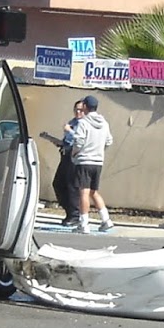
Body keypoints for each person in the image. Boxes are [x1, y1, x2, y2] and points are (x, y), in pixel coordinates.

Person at [70, 94, 114, 233]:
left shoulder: (83, 122)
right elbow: (109, 141)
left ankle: (83, 224)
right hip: (98, 161)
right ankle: (106, 219)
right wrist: (99, 150)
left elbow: (79, 141)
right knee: (93, 192)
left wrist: (75, 153)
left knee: (83, 192)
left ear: (85, 107)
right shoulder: (104, 123)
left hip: (84, 160)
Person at [40, 98, 85, 224]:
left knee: (72, 185)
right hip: (65, 154)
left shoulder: (84, 124)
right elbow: (65, 142)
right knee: (58, 184)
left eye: (81, 110)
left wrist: (69, 130)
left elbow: (80, 139)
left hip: (75, 156)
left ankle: (75, 215)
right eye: (76, 109)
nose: (78, 112)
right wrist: (50, 138)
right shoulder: (73, 122)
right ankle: (68, 211)